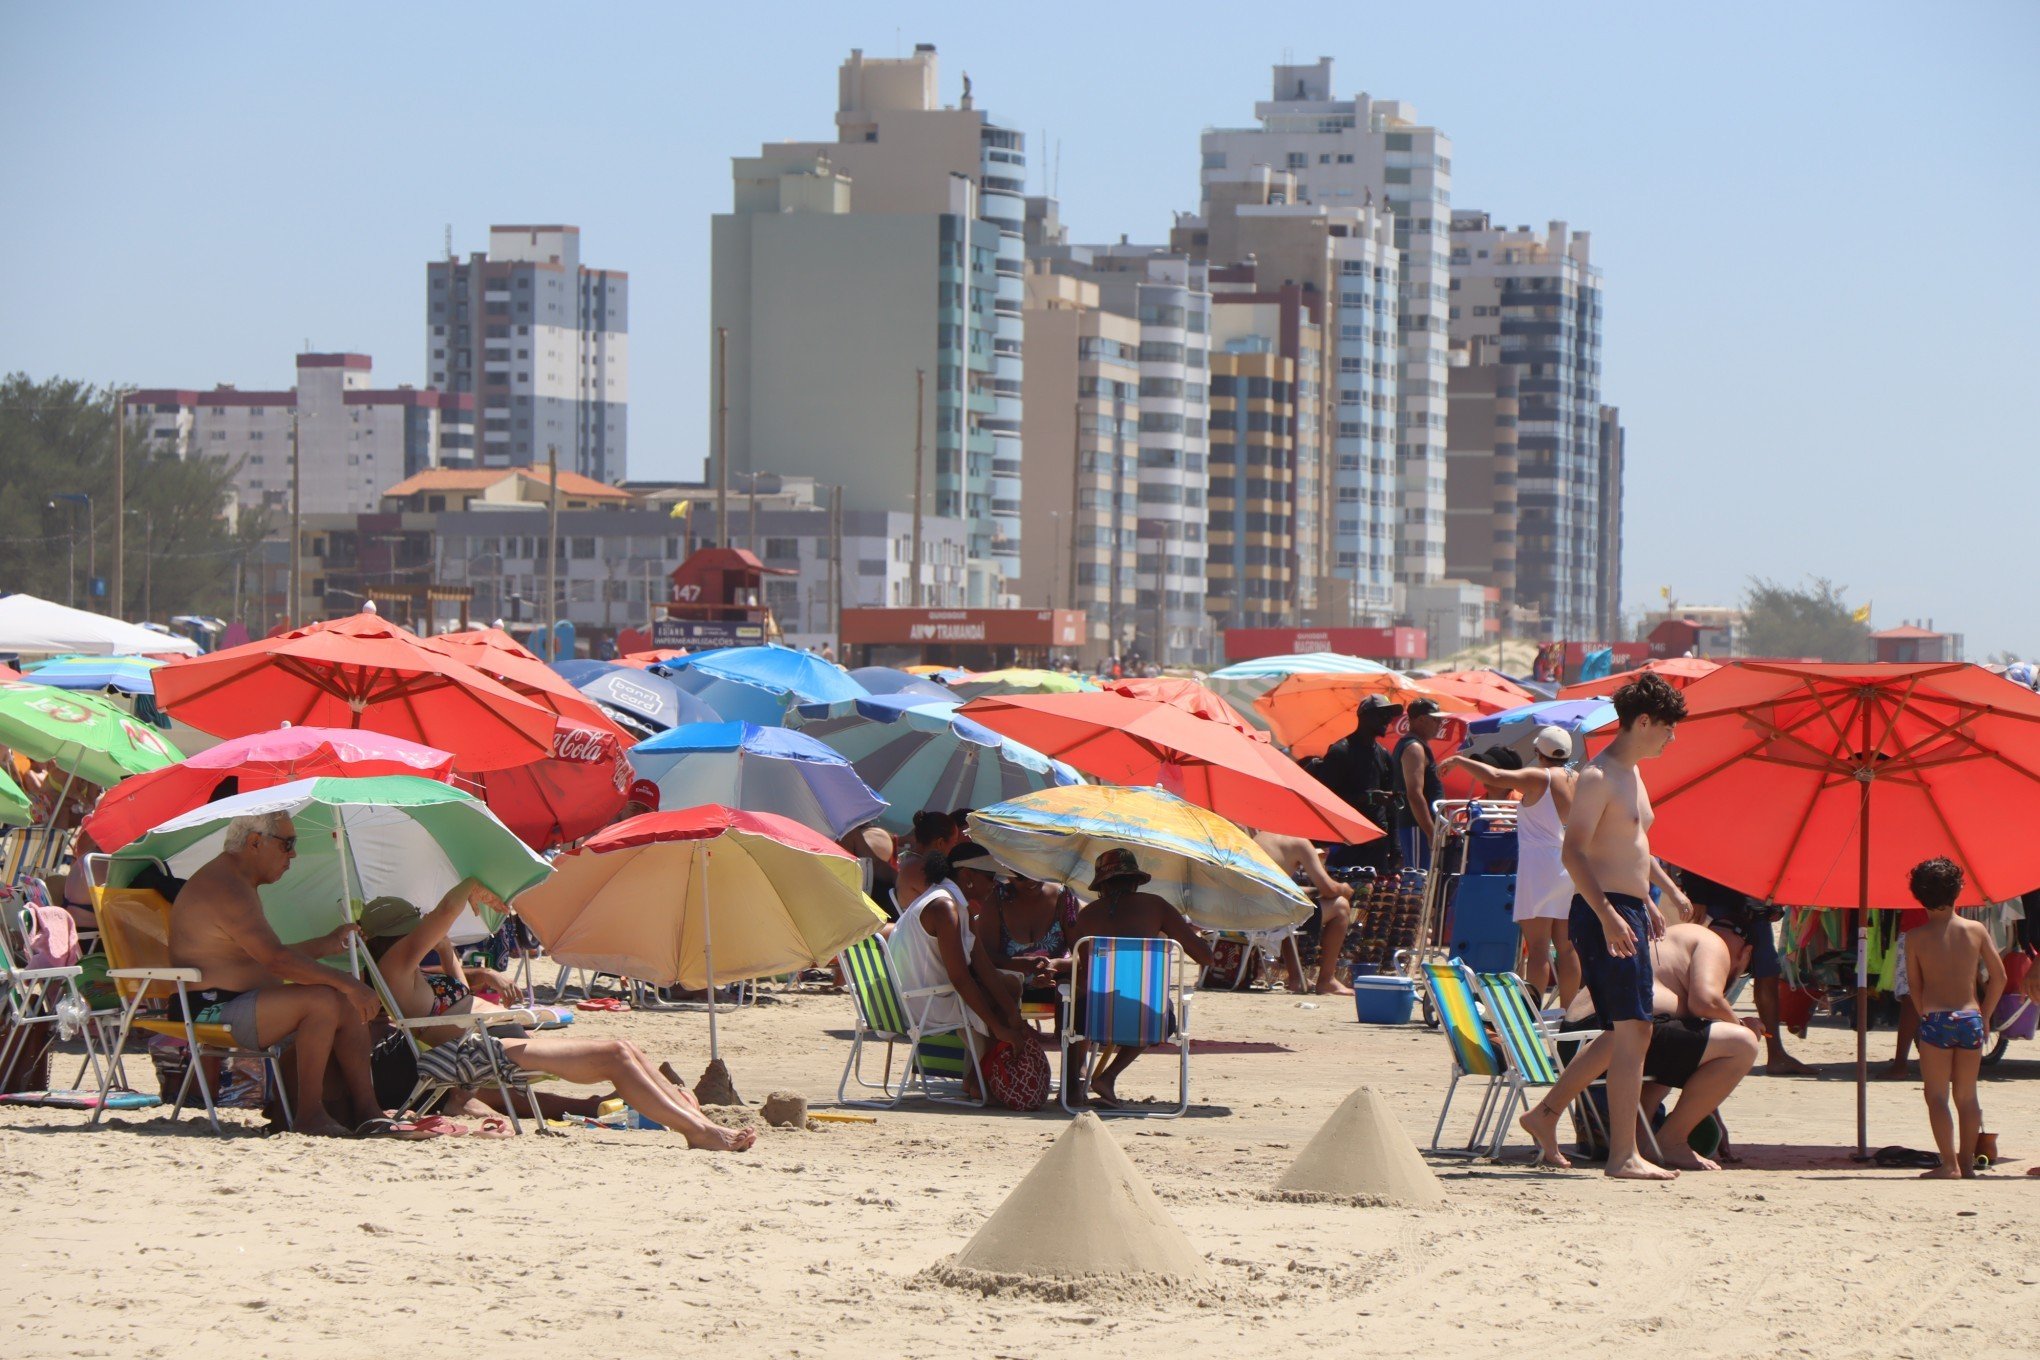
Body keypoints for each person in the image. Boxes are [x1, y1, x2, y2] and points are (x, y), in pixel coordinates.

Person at [367, 880, 757, 1151]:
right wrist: (469, 885)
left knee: (627, 1048)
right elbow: (446, 910)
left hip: (490, 1044)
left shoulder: (408, 972)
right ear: (400, 934)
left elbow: (460, 991)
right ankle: (698, 1131)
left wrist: (447, 946)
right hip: (472, 1054)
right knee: (615, 1055)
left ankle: (700, 1123)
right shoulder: (395, 966)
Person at [167, 811, 391, 1138]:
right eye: (288, 844)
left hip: (233, 1001)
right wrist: (348, 982)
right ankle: (309, 1114)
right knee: (324, 999)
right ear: (255, 841)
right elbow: (275, 961)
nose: (294, 855)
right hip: (208, 1008)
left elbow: (264, 958)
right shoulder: (227, 886)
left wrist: (328, 945)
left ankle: (367, 1110)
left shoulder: (234, 881)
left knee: (340, 999)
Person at [1556, 671, 1692, 1180]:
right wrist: (1610, 913)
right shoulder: (1598, 776)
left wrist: (1657, 894)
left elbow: (1634, 846)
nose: (1671, 736)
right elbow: (1574, 852)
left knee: (1629, 1031)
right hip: (1603, 911)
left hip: (1628, 908)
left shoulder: (1631, 775)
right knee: (1632, 1031)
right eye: (1667, 727)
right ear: (1642, 721)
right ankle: (1622, 1154)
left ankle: (1547, 1115)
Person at [1519, 919, 1762, 1171]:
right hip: (1612, 1034)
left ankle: (1642, 1138)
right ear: (1746, 952)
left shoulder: (1672, 935)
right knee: (1741, 1044)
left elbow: (1686, 1038)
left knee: (1683, 1036)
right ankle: (1672, 1140)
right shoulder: (1713, 943)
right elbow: (1706, 1000)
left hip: (1574, 1039)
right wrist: (1744, 1026)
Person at [1065, 849, 1218, 1109]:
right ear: (1135, 881)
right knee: (1161, 1009)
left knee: (1073, 1011)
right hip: (1147, 1017)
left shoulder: (1087, 915)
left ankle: (1071, 1089)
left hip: (1094, 1017)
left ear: (1101, 885)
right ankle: (1108, 1076)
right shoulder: (1156, 906)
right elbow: (1206, 958)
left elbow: (1085, 971)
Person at [1441, 724, 1581, 1005]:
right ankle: (1569, 1012)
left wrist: (1459, 760)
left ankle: (1533, 1012)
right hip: (1567, 862)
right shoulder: (1576, 777)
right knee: (1566, 947)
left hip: (1539, 864)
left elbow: (1495, 776)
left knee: (1539, 949)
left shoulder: (1539, 776)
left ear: (1538, 751)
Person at [886, 845, 1034, 1078]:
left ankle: (981, 1077)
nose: (994, 885)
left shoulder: (952, 902)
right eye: (989, 877)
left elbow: (982, 963)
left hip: (920, 997)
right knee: (1001, 992)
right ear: (967, 876)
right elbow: (960, 978)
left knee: (1008, 986)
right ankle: (981, 1079)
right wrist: (999, 1027)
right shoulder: (944, 907)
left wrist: (1012, 1013)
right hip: (920, 1005)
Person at [1902, 857, 2006, 1179]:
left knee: (1935, 1095)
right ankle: (1967, 1164)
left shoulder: (1915, 937)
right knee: (1967, 1095)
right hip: (1970, 1017)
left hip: (1935, 1018)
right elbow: (1999, 978)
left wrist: (1925, 1015)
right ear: (1959, 890)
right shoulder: (1975, 930)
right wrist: (1985, 1016)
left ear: (1917, 895)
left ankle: (1948, 1165)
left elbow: (1915, 987)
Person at [1676, 868, 1816, 1076]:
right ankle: (1702, 1049)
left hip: (1753, 900)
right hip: (1719, 898)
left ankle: (1775, 1054)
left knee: (1767, 974)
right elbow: (1697, 848)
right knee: (1715, 974)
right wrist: (1697, 895)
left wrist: (1773, 902)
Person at [1251, 830, 1355, 995]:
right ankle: (1327, 980)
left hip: (1247, 913)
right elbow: (1328, 889)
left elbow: (1277, 888)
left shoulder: (1259, 837)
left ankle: (1296, 978)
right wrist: (1345, 889)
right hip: (1272, 917)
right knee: (1341, 906)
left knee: (1289, 907)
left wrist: (1314, 891)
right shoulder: (1298, 841)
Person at [1312, 693, 1404, 874]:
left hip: (1377, 847)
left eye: (1389, 715)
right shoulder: (1340, 751)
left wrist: (1395, 848)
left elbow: (1391, 807)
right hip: (1345, 846)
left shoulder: (1384, 755)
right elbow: (1325, 801)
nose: (1388, 720)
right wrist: (1369, 797)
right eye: (1382, 714)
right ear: (1365, 717)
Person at [978, 871, 1082, 1021]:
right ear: (1007, 874)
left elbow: (1082, 955)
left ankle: (1066, 1041)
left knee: (1073, 986)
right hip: (1008, 995)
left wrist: (1055, 966)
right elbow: (985, 956)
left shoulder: (1064, 898)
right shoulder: (995, 900)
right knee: (1004, 984)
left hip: (1056, 989)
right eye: (1020, 876)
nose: (1030, 881)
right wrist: (1023, 964)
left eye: (1035, 873)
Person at [1395, 698, 1447, 870]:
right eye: (1436, 720)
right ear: (1422, 719)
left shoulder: (1418, 746)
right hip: (1417, 827)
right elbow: (1414, 794)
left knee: (1426, 879)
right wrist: (1431, 832)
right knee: (1418, 879)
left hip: (1420, 827)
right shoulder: (1414, 747)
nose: (1440, 724)